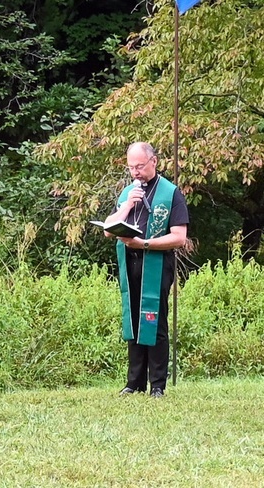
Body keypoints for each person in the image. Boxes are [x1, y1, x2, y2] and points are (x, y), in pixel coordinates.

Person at [103, 142, 189, 398]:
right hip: (130, 263)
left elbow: (179, 237)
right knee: (133, 319)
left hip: (157, 263)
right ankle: (134, 382)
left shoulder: (171, 193)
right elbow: (109, 229)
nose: (135, 172)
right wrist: (127, 206)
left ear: (154, 161)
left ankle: (158, 385)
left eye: (139, 166)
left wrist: (146, 244)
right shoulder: (127, 193)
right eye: (131, 167)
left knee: (154, 320)